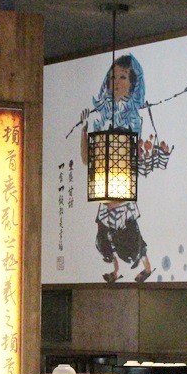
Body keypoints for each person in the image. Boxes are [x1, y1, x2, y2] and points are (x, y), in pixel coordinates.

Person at [80, 54, 152, 283]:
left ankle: (147, 267)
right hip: (107, 188)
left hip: (120, 188)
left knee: (130, 234)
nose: (116, 83)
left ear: (132, 84)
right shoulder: (101, 118)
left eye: (122, 77)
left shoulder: (133, 119)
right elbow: (87, 160)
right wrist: (84, 131)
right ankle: (116, 270)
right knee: (104, 234)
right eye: (112, 78)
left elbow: (131, 158)